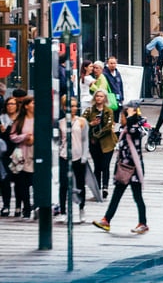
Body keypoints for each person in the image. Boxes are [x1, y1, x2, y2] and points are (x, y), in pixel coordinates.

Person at [92, 102, 149, 234]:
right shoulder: (125, 129)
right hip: (124, 169)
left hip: (133, 170)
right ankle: (106, 220)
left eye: (122, 116)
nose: (121, 119)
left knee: (137, 197)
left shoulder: (134, 129)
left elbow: (135, 130)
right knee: (117, 196)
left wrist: (131, 115)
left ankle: (143, 223)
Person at [55, 97, 88, 221]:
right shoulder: (60, 122)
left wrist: (84, 156)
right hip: (64, 155)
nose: (73, 108)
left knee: (80, 184)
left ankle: (81, 208)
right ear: (64, 107)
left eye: (75, 106)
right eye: (70, 106)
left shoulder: (82, 121)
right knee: (63, 184)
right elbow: (57, 140)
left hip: (78, 156)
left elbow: (85, 140)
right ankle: (63, 212)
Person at [8, 96, 37, 219]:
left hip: (35, 154)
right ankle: (26, 207)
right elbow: (12, 136)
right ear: (26, 106)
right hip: (22, 155)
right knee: (23, 184)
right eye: (32, 103)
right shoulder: (19, 121)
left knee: (35, 182)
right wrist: (24, 136)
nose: (35, 105)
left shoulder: (39, 119)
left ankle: (36, 206)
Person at [86, 89, 117, 202]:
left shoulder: (109, 111)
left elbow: (108, 127)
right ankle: (97, 188)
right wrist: (91, 124)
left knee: (105, 165)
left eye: (101, 96)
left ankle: (105, 188)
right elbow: (82, 123)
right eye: (97, 96)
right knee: (97, 166)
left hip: (107, 143)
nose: (99, 98)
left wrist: (96, 135)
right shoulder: (89, 111)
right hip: (94, 144)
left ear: (105, 98)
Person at [0, 97, 19, 216]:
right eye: (9, 104)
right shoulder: (1, 119)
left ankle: (18, 206)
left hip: (18, 152)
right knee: (5, 180)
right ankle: (6, 205)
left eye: (13, 104)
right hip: (5, 152)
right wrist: (1, 132)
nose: (10, 106)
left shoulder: (20, 119)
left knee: (19, 180)